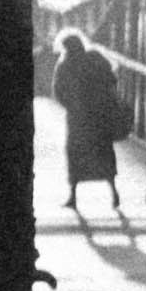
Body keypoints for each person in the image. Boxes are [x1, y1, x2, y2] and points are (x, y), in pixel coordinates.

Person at [57, 25, 127, 214]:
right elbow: (112, 79)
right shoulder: (95, 58)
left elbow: (59, 91)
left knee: (75, 154)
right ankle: (114, 193)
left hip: (78, 119)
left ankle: (73, 196)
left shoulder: (65, 64)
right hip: (99, 117)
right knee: (103, 153)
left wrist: (72, 106)